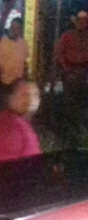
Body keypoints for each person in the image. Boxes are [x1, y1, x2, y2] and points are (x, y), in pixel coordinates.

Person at [0, 79, 41, 164]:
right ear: (11, 99)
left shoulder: (19, 122)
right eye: (25, 94)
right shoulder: (10, 126)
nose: (31, 99)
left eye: (35, 94)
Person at [56, 10, 88, 145]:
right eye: (80, 21)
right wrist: (66, 69)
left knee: (81, 105)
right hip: (70, 73)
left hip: (83, 73)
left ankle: (79, 133)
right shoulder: (67, 36)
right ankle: (68, 136)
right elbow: (59, 53)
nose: (82, 24)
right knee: (70, 104)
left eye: (84, 21)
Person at [0, 17, 29, 108]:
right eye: (11, 27)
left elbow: (24, 62)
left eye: (16, 28)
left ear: (20, 30)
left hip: (16, 82)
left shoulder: (23, 44)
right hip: (3, 82)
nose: (12, 30)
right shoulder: (3, 42)